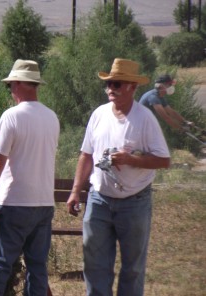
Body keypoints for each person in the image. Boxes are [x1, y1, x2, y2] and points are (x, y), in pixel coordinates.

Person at [66, 58, 171, 296]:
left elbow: (164, 160)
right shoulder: (99, 114)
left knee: (132, 268)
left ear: (133, 87)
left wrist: (132, 160)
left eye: (117, 84)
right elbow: (86, 155)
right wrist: (75, 191)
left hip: (134, 202)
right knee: (94, 265)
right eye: (109, 84)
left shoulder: (145, 119)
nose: (110, 89)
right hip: (99, 199)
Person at [0, 59, 60, 295]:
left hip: (15, 203)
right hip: (44, 203)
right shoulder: (51, 117)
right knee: (37, 268)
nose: (11, 88)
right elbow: (28, 154)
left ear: (24, 84)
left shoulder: (11, 116)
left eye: (13, 83)